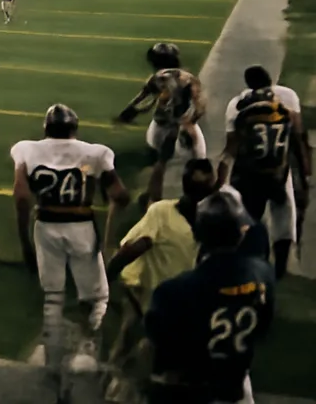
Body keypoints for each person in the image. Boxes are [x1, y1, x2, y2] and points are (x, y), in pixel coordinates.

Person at [11, 103, 129, 385]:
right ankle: (86, 350)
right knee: (97, 296)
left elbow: (21, 196)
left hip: (46, 225)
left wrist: (24, 239)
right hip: (81, 226)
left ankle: (50, 361)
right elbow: (120, 195)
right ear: (75, 129)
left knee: (53, 295)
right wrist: (109, 236)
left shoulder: (26, 149)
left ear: (45, 128)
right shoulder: (95, 152)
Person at [145, 191, 275, 404]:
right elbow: (263, 327)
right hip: (236, 389)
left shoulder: (172, 291)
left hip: (190, 393)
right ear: (241, 233)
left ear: (197, 235)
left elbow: (162, 354)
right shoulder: (264, 275)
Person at [105, 160, 217, 398]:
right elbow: (136, 248)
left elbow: (132, 248)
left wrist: (105, 277)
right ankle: (114, 386)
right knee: (138, 348)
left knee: (137, 348)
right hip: (155, 298)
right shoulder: (211, 220)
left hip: (165, 301)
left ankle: (113, 385)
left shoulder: (165, 212)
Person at [218, 65, 311, 278]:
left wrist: (220, 178)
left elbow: (231, 146)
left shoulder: (237, 105)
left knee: (249, 221)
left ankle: (253, 265)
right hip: (279, 171)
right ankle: (279, 270)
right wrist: (305, 173)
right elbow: (298, 137)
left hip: (248, 173)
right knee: (285, 221)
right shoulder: (287, 97)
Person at [115, 42, 206, 204]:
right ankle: (194, 198)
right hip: (180, 125)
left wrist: (127, 113)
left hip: (160, 127)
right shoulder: (189, 78)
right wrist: (189, 123)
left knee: (160, 163)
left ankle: (152, 198)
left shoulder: (157, 78)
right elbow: (199, 106)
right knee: (197, 160)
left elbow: (142, 101)